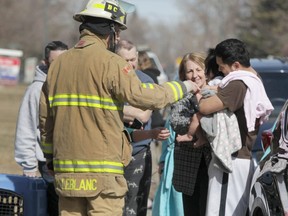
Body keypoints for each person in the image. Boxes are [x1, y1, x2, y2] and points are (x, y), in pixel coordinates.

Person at [38, 0, 199, 215]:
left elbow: (45, 120)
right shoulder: (112, 63)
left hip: (68, 176)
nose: (119, 38)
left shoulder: (57, 65)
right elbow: (145, 96)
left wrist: (50, 160)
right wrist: (183, 86)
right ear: (110, 31)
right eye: (118, 32)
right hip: (103, 176)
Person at [198, 38, 274, 216]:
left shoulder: (237, 84)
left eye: (222, 66)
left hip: (230, 160)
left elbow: (204, 107)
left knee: (223, 211)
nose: (220, 71)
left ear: (236, 64)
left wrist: (203, 94)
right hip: (240, 159)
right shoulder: (253, 79)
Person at [14, 40, 68, 216]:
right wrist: (29, 167)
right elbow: (26, 128)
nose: (60, 67)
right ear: (45, 63)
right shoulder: (36, 90)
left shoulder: (72, 86)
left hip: (71, 161)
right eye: (55, 63)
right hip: (48, 164)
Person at [115, 39, 155, 216]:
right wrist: (132, 110)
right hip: (112, 152)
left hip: (138, 152)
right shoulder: (110, 80)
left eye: (133, 59)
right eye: (126, 60)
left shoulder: (146, 81)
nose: (130, 64)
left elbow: (144, 115)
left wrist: (117, 111)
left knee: (135, 205)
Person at [172, 52, 211, 216]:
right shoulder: (181, 95)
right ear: (183, 74)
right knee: (192, 211)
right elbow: (176, 122)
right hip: (189, 168)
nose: (195, 75)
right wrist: (197, 123)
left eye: (198, 70)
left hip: (212, 164)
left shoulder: (217, 92)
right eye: (190, 71)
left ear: (205, 71)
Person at [152, 116, 184, 216]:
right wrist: (162, 161)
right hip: (170, 163)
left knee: (180, 203)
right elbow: (167, 141)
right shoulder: (172, 115)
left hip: (182, 163)